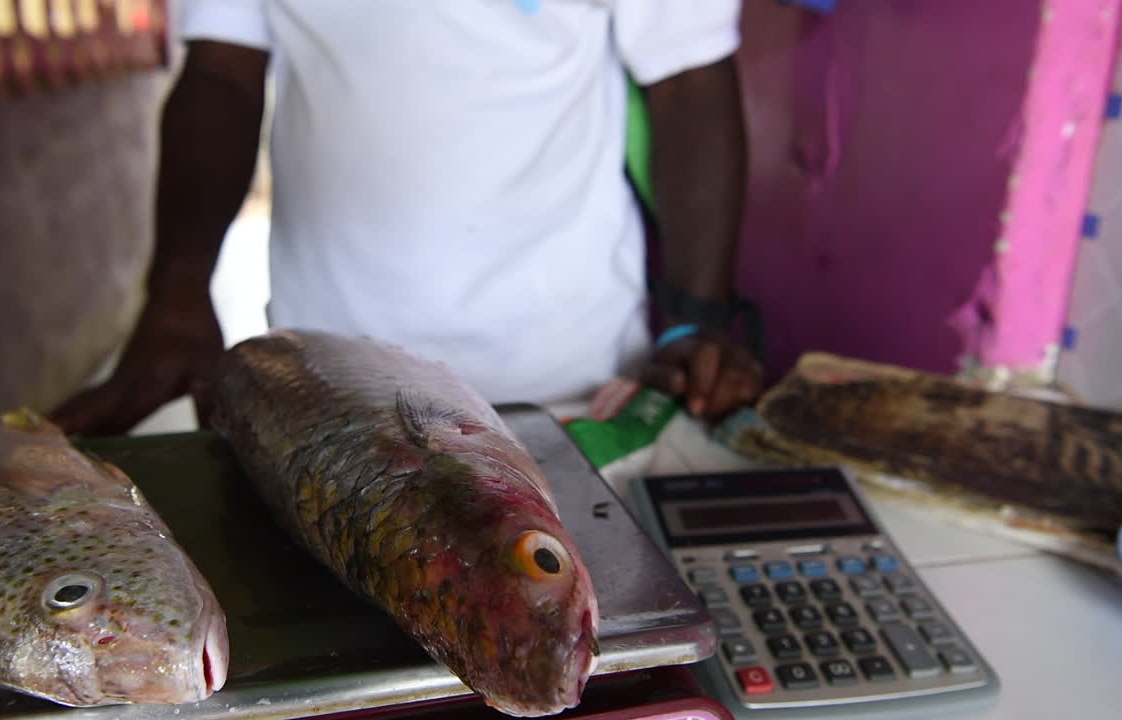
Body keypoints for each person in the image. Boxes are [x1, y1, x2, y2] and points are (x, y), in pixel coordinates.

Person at [52, 0, 762, 437]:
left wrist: (694, 320)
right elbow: (220, 72)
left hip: (569, 385)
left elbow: (689, 78)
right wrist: (177, 295)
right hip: (334, 389)